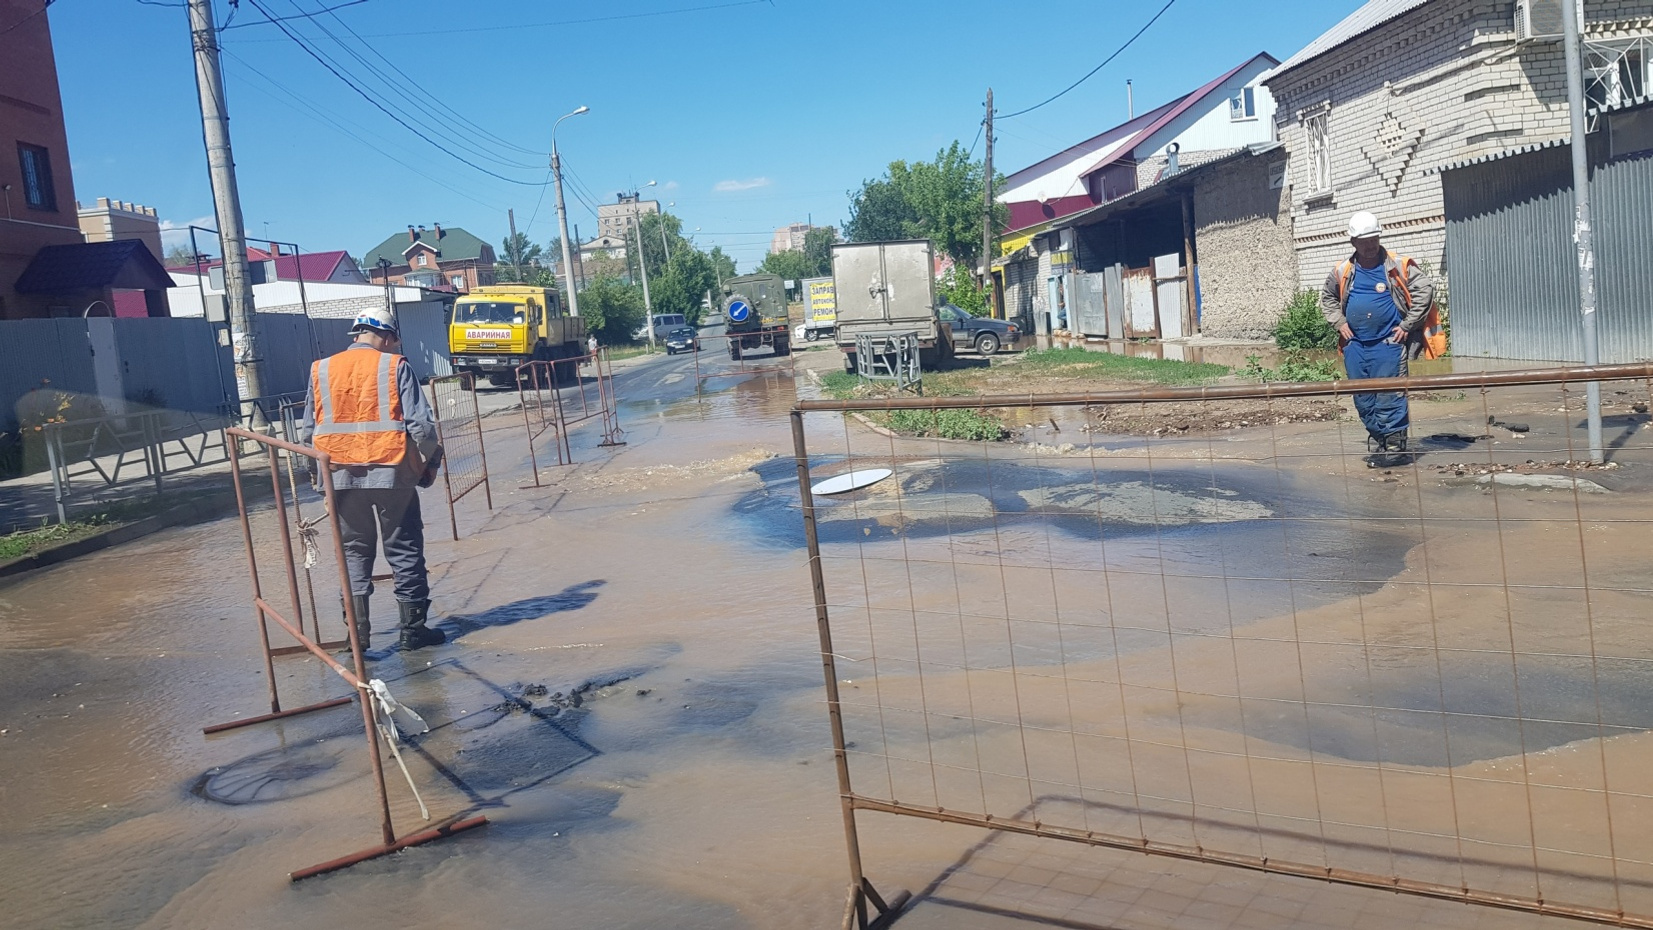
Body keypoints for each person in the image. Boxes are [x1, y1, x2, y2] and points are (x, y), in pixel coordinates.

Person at [300, 307, 447, 651]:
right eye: (393, 340)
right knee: (405, 549)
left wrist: (316, 477)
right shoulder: (395, 366)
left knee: (353, 554)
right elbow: (422, 427)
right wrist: (432, 462)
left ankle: (357, 638)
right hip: (392, 473)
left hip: (339, 477)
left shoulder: (321, 370)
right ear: (384, 335)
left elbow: (308, 432)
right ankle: (413, 632)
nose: (393, 347)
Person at [1320, 211, 1436, 468]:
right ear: (1353, 242)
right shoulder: (1342, 270)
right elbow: (1327, 299)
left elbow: (1425, 291)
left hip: (1389, 344)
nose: (1371, 245)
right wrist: (1339, 323)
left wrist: (1408, 325)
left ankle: (1394, 448)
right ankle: (1380, 439)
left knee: (1390, 395)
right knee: (1362, 398)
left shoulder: (1398, 266)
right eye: (1365, 241)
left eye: (1374, 238)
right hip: (1355, 346)